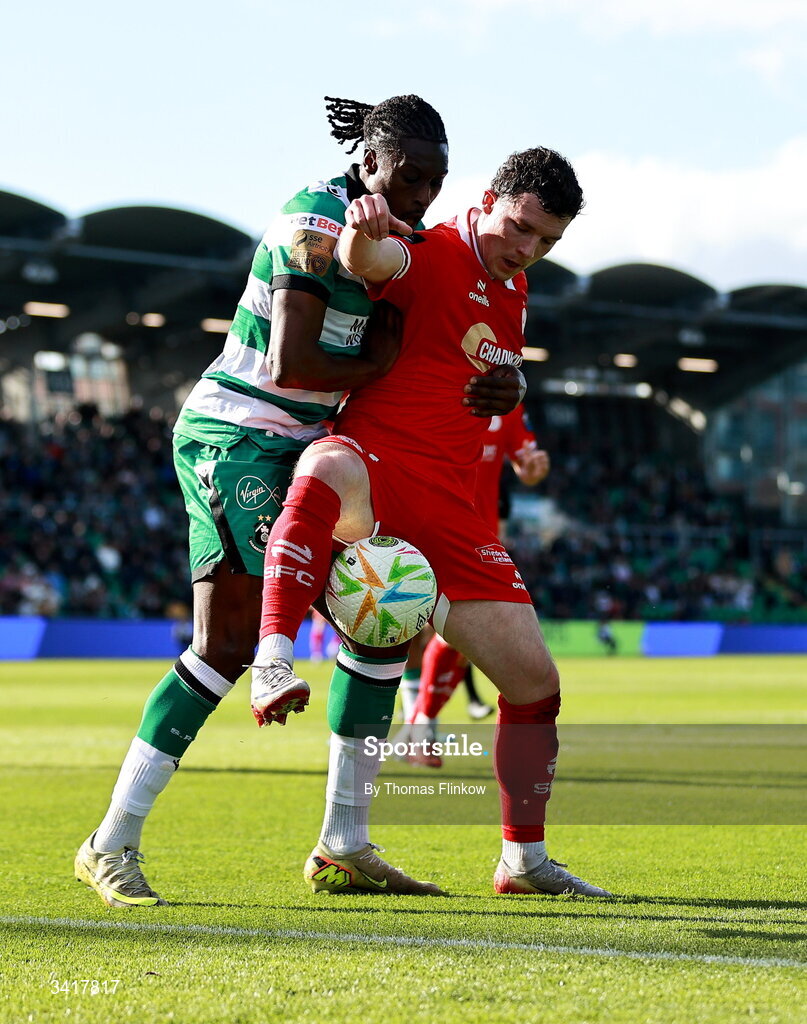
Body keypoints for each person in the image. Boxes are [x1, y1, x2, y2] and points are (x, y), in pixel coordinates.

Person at [75, 94, 523, 909]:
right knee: (228, 643)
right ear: (370, 164)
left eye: (436, 180)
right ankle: (110, 843)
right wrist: (382, 362)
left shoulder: (409, 238)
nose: (422, 194)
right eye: (408, 176)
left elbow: (451, 334)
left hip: (307, 448)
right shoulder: (313, 222)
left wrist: (506, 378)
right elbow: (288, 362)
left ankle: (343, 847)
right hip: (238, 435)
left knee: (384, 607)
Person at [257, 147, 612, 897]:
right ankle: (273, 659)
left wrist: (511, 386)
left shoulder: (514, 292)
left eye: (546, 242)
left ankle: (523, 863)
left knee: (534, 684)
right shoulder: (435, 247)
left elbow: (483, 366)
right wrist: (360, 227)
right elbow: (373, 258)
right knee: (323, 465)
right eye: (520, 228)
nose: (527, 250)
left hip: (453, 510)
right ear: (488, 199)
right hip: (379, 467)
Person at [404, 406, 551, 766]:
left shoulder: (506, 392)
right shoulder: (429, 378)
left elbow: (525, 462)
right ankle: (397, 731)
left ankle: (419, 729)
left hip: (478, 535)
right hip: (417, 519)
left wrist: (533, 468)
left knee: (455, 638)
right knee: (404, 631)